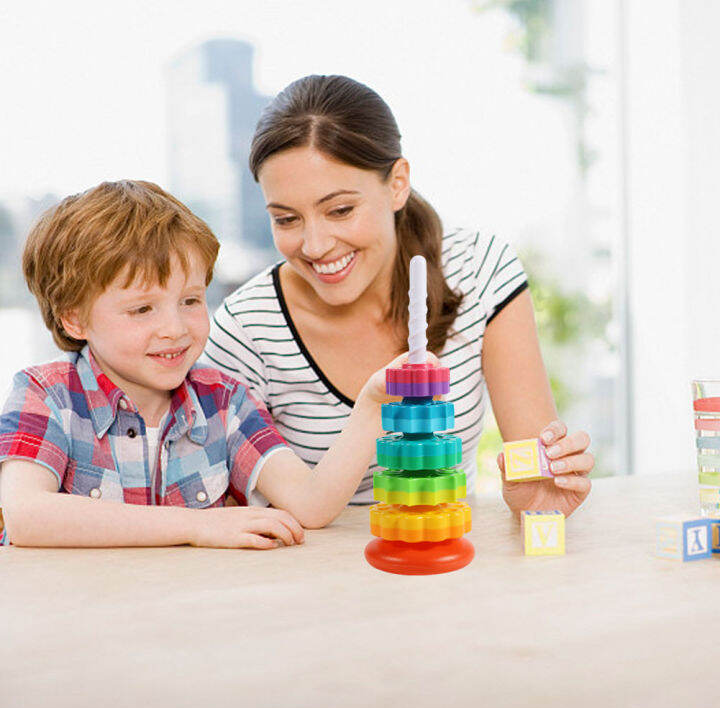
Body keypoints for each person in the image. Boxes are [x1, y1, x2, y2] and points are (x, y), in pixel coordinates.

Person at [204, 74, 594, 517]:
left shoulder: (481, 270)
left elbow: (535, 469)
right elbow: (241, 511)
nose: (314, 246)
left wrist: (536, 496)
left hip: (439, 562)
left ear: (397, 183)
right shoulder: (246, 328)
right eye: (287, 219)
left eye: (340, 210)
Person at [0, 180, 403, 548]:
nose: (175, 329)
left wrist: (371, 408)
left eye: (190, 300)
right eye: (142, 309)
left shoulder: (225, 402)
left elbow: (311, 505)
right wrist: (196, 526)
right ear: (74, 318)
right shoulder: (46, 394)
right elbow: (27, 516)